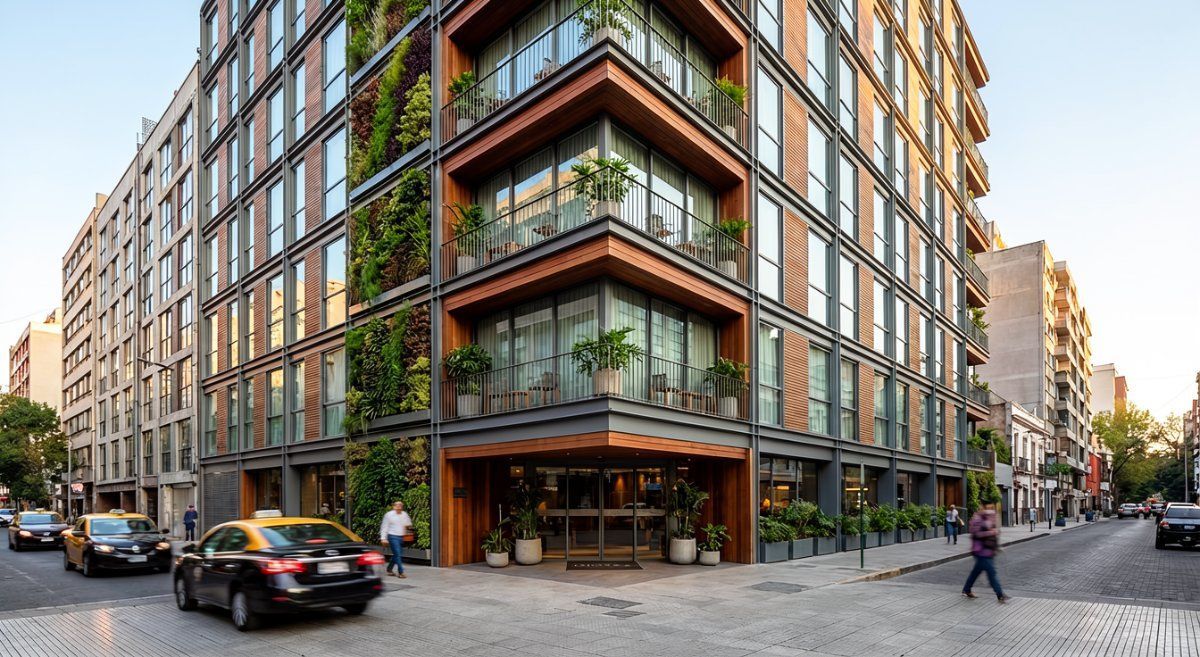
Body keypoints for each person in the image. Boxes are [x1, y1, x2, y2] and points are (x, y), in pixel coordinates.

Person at [962, 506, 1009, 603]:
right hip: (982, 552)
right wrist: (991, 533)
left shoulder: (988, 522)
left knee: (975, 572)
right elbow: (977, 535)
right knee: (992, 574)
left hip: (987, 553)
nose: (994, 518)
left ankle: (967, 589)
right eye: (992, 516)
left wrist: (996, 546)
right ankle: (1000, 594)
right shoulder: (980, 522)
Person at [380, 500, 413, 578]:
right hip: (392, 536)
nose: (398, 506)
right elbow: (384, 526)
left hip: (401, 537)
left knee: (397, 555)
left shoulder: (404, 514)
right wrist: (383, 538)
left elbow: (409, 524)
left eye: (400, 505)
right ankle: (401, 572)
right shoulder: (389, 515)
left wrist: (408, 529)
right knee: (398, 554)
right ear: (393, 506)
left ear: (402, 507)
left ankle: (389, 569)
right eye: (397, 505)